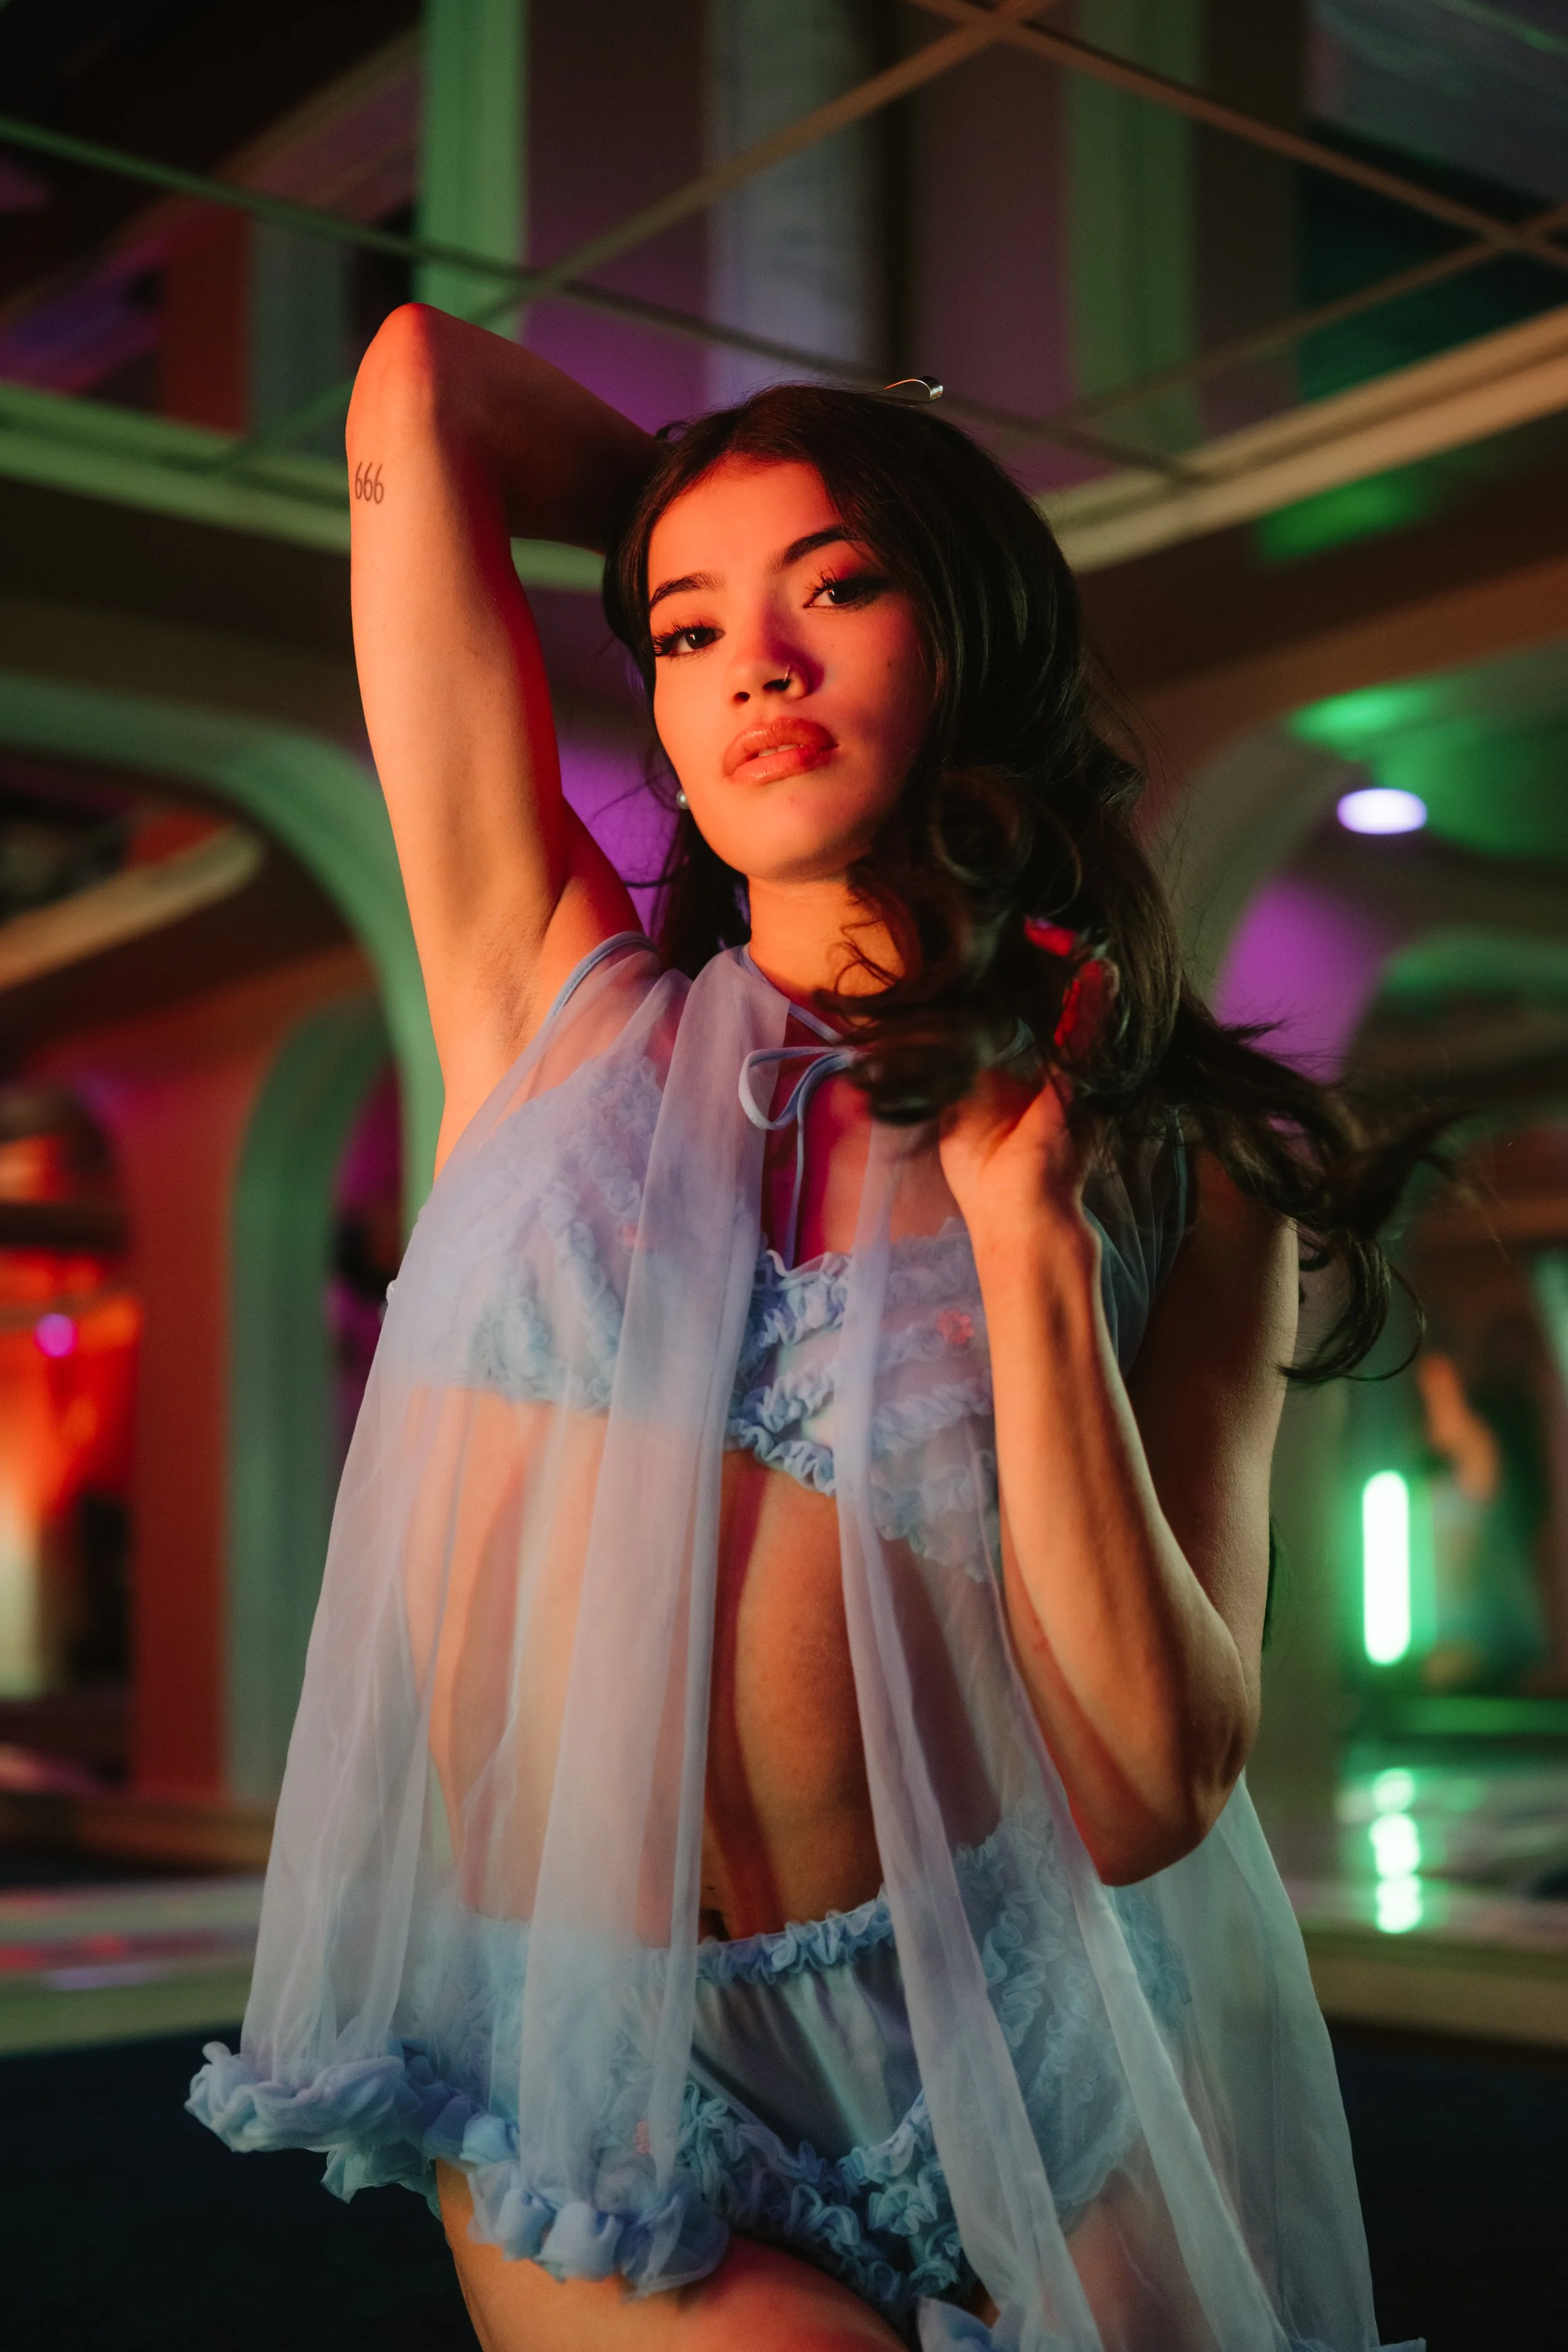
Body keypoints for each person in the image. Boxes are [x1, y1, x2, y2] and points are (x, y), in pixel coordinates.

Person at [191, 307, 1425, 2352]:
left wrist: (1027, 1254)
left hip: (1014, 2038)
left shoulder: (1178, 1174)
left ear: (969, 641)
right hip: (599, 2053)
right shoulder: (547, 1003)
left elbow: (1149, 1793)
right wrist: (747, 483)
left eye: (837, 590)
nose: (750, 661)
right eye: (681, 628)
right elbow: (417, 389)